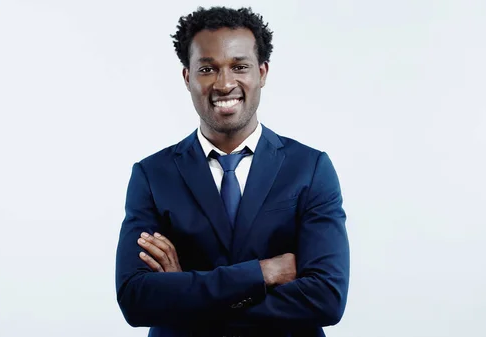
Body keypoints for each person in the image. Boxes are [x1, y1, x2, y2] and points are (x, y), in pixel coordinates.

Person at [115, 6, 350, 337]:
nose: (225, 84)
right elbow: (135, 300)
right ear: (187, 77)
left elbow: (327, 300)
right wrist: (263, 272)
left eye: (239, 66)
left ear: (262, 72)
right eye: (208, 69)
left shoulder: (310, 168)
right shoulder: (153, 175)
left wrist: (184, 292)